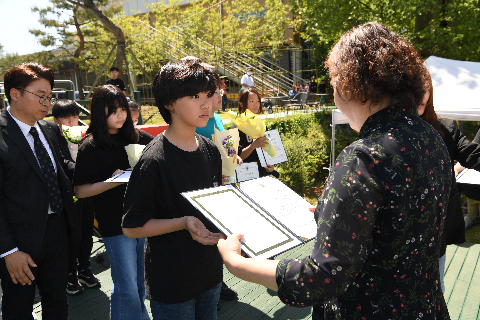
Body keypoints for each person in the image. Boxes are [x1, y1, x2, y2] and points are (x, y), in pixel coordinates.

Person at [218, 22, 452, 319]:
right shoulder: (430, 137)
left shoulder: (363, 156)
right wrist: (329, 210)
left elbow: (321, 278)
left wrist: (239, 265)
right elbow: (400, 216)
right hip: (425, 308)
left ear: (346, 83)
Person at [122, 59, 224, 320]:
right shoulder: (154, 160)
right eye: (193, 95)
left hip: (210, 272)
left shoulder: (210, 149)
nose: (205, 104)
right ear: (169, 103)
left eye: (208, 95)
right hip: (172, 280)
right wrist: (183, 222)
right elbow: (131, 227)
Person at [0, 62, 78, 319]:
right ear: (15, 93)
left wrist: (100, 169)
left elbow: (64, 168)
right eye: (40, 96)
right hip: (19, 241)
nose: (47, 103)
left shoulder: (50, 129)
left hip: (57, 230)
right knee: (18, 307)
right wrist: (9, 251)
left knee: (57, 301)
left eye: (49, 97)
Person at [73, 85, 153, 319]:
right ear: (99, 112)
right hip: (114, 224)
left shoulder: (137, 137)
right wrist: (115, 181)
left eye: (123, 109)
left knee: (140, 281)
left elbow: (163, 153)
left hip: (143, 219)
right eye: (113, 110)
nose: (120, 115)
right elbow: (81, 191)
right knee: (126, 284)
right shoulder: (91, 145)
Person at [417, 75, 480, 292]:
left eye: (425, 90)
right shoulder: (389, 133)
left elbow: (474, 154)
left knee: (437, 290)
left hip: (438, 228)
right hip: (404, 229)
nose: (421, 95)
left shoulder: (444, 127)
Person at [52, 100, 100, 295]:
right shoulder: (53, 136)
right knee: (72, 234)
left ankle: (84, 269)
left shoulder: (85, 134)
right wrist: (83, 170)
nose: (72, 122)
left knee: (87, 230)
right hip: (67, 193)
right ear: (56, 121)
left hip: (87, 191)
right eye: (66, 118)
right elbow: (60, 162)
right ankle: (69, 274)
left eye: (75, 117)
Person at [237, 88, 278, 178]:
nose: (256, 104)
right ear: (242, 103)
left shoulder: (261, 124)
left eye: (258, 101)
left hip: (263, 174)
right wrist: (253, 145)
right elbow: (238, 156)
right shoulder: (238, 126)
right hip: (247, 175)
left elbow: (268, 150)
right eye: (251, 101)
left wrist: (271, 165)